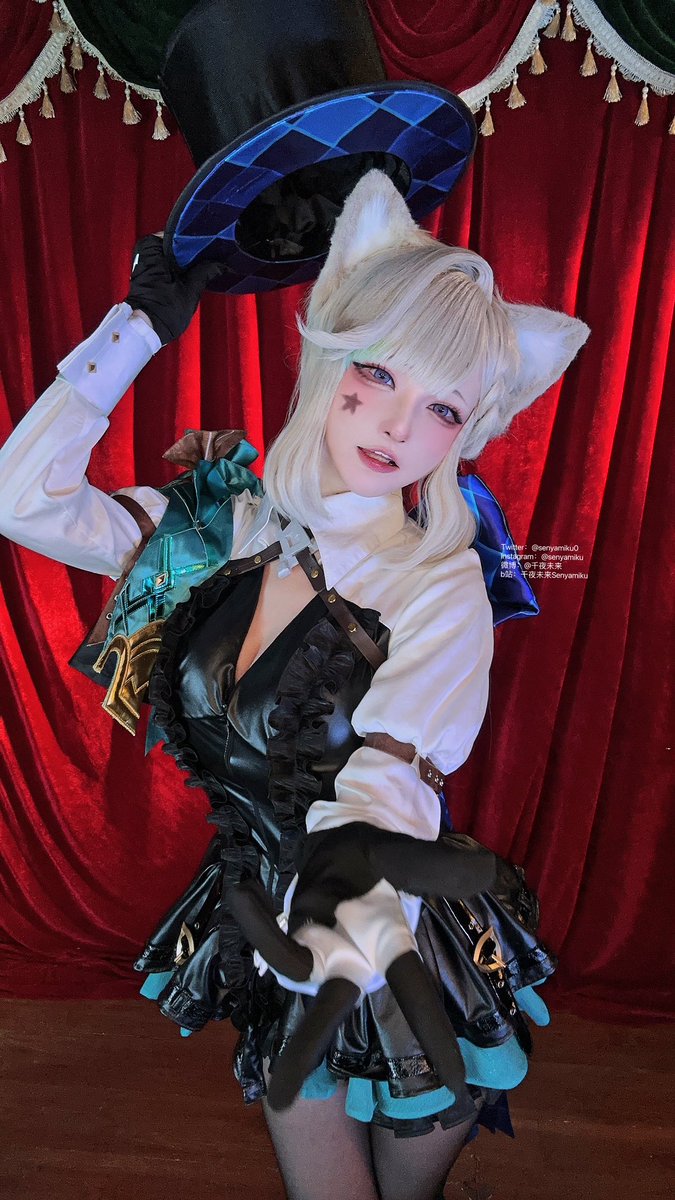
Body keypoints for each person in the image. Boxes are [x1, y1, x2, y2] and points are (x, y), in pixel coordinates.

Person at [0, 170, 589, 1200]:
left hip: (386, 929)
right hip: (270, 923)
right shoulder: (220, 526)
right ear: (328, 352)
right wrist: (134, 332)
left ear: (465, 432)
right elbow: (23, 497)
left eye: (441, 406)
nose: (398, 426)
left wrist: (338, 896)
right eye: (379, 371)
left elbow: (394, 769)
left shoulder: (435, 581)